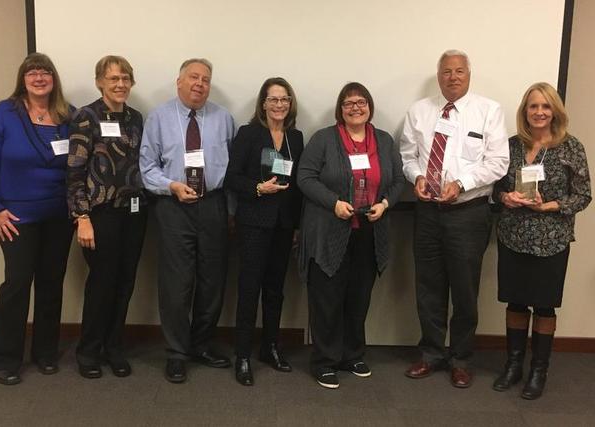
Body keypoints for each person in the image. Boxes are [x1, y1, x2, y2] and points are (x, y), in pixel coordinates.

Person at [399, 49, 509, 388]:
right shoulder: (419, 111)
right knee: (429, 287)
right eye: (447, 71)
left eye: (459, 71)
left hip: (468, 213)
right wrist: (416, 176)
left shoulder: (488, 111)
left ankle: (461, 359)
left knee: (464, 290)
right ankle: (432, 353)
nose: (453, 77)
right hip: (428, 213)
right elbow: (408, 155)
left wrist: (461, 184)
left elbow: (498, 162)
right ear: (438, 74)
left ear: (469, 74)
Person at [297, 82, 405, 389]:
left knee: (359, 296)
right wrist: (333, 203)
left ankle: (352, 354)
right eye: (348, 103)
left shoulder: (383, 141)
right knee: (327, 298)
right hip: (330, 230)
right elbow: (304, 177)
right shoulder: (324, 139)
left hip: (369, 232)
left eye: (361, 102)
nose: (355, 107)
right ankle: (324, 360)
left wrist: (385, 204)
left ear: (369, 106)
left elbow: (397, 180)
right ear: (340, 109)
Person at [0, 52, 74, 385]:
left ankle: (45, 353)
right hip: (16, 217)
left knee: (51, 284)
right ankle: (2, 360)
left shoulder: (66, 115)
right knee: (16, 285)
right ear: (23, 78)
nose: (39, 76)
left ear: (53, 78)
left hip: (59, 216)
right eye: (32, 71)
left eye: (46, 71)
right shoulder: (5, 113)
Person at [491, 82, 591, 399]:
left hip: (552, 239)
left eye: (545, 106)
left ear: (555, 112)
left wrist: (552, 205)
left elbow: (584, 195)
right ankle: (513, 365)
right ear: (525, 111)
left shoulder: (570, 147)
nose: (539, 112)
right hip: (514, 235)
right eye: (533, 106)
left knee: (545, 306)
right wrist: (505, 197)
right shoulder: (510, 146)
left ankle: (539, 370)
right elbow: (493, 187)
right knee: (516, 301)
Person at [140, 58, 235, 383]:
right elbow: (147, 166)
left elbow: (234, 168)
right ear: (178, 81)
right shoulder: (159, 117)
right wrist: (171, 186)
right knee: (176, 284)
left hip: (213, 205)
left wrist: (231, 210)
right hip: (173, 207)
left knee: (213, 280)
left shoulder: (224, 119)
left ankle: (202, 345)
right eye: (193, 77)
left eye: (206, 79)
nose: (199, 84)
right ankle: (177, 352)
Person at [67, 55, 147, 379]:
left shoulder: (136, 118)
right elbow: (74, 173)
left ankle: (114, 348)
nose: (120, 84)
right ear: (100, 81)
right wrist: (81, 217)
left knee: (125, 283)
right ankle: (88, 351)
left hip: (134, 213)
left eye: (126, 78)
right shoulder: (86, 117)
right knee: (102, 283)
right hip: (100, 215)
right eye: (113, 78)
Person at [224, 77, 303, 386]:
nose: (279, 104)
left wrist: (296, 225)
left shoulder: (296, 138)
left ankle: (270, 347)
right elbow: (232, 177)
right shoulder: (249, 134)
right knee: (249, 288)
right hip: (254, 222)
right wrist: (258, 188)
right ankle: (243, 355)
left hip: (283, 225)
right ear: (263, 104)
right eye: (273, 99)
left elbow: (296, 187)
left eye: (284, 99)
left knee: (275, 290)